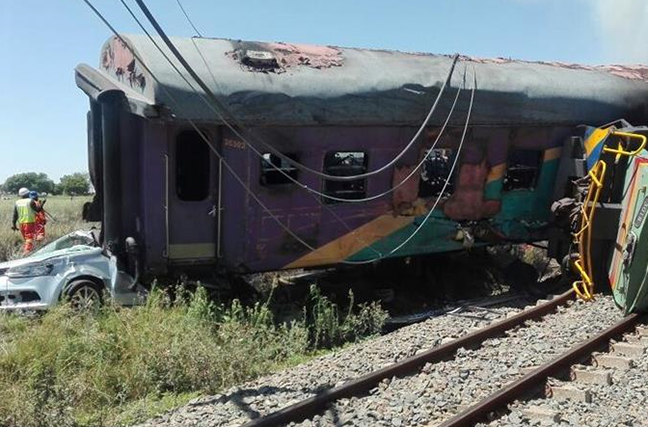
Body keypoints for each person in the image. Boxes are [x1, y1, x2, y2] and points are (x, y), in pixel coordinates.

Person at [12, 187, 43, 254]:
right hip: (29, 223)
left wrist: (14, 225)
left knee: (27, 240)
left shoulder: (17, 202)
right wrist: (41, 205)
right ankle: (26, 254)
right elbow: (37, 210)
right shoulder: (30, 201)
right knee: (29, 239)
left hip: (21, 224)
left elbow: (15, 215)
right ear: (28, 193)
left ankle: (30, 251)